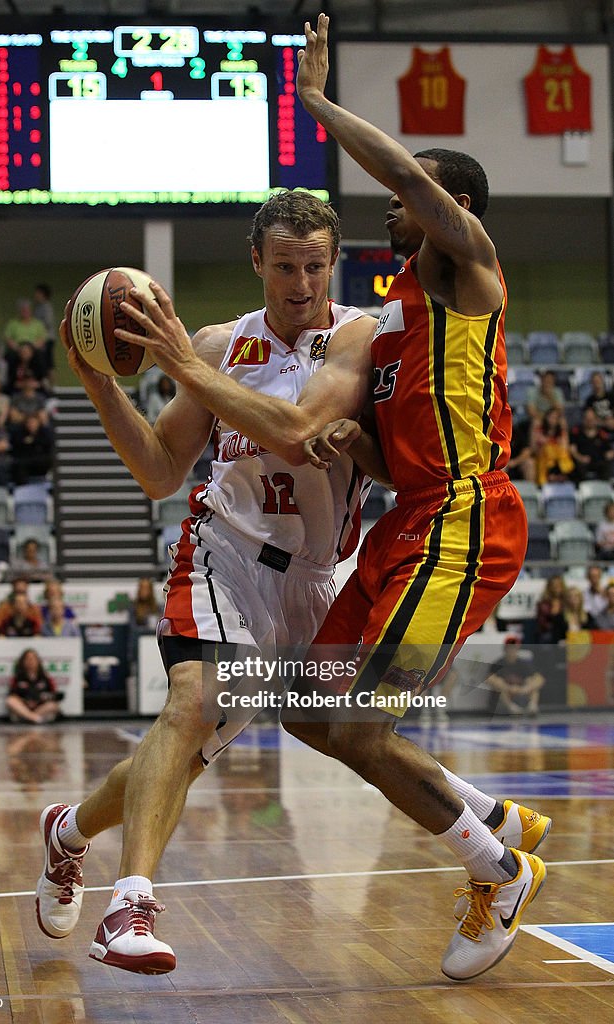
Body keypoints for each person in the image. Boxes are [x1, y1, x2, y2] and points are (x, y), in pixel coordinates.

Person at [34, 182, 549, 979]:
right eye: (284, 267)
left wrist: (171, 359)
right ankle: (130, 905)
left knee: (249, 737)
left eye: (314, 266)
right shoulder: (213, 343)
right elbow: (160, 470)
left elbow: (296, 427)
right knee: (193, 705)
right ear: (256, 264)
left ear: (334, 264)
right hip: (225, 551)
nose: (300, 284)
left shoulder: (360, 337)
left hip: (317, 575)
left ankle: (67, 832)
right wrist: (100, 380)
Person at [276, 14, 544, 982]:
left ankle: (496, 865)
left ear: (449, 202)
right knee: (302, 707)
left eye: (406, 199)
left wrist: (314, 102)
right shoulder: (393, 321)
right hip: (409, 519)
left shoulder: (465, 267)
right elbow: (401, 458)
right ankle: (493, 816)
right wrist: (359, 444)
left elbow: (407, 181)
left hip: (468, 523)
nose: (387, 212)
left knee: (360, 727)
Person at [485, 637, 545, 716]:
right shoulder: (498, 663)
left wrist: (526, 688)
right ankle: (512, 708)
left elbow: (539, 679)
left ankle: (532, 707)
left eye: (514, 648)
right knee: (498, 684)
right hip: (504, 697)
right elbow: (489, 679)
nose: (512, 650)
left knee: (532, 683)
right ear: (505, 649)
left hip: (522, 693)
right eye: (510, 648)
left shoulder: (523, 663)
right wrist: (508, 688)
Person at [6, 648, 62, 724]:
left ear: (38, 661)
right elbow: (11, 694)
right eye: (28, 659)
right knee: (10, 701)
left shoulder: (45, 677)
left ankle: (30, 718)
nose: (30, 662)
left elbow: (54, 694)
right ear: (23, 662)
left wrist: (40, 699)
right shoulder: (18, 677)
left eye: (33, 659)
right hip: (23, 707)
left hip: (40, 707)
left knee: (53, 705)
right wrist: (25, 701)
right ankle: (33, 717)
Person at [569, 406, 614, 482]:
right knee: (575, 466)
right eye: (587, 419)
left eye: (591, 419)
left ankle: (606, 488)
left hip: (599, 462)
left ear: (596, 419)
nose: (589, 421)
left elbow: (610, 450)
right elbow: (572, 449)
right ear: (583, 419)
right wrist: (580, 457)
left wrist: (610, 453)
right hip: (582, 462)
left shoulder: (602, 433)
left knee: (608, 465)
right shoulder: (576, 432)